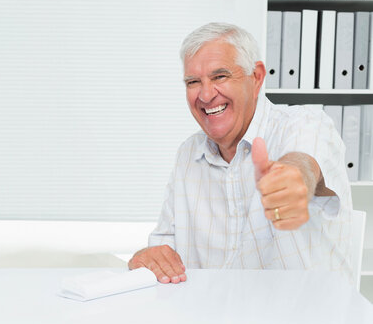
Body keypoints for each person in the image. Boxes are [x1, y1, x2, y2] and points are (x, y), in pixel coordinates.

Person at [128, 22, 352, 284]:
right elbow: (165, 252)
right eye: (193, 82)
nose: (206, 94)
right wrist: (149, 258)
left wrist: (291, 180)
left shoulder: (304, 123)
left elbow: (303, 163)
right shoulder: (188, 154)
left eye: (220, 76)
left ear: (256, 77)